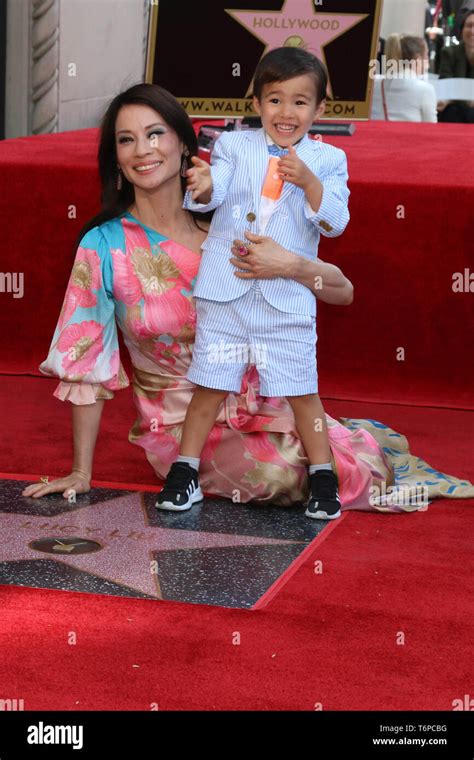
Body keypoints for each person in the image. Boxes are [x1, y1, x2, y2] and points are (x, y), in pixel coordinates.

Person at [23, 83, 473, 513]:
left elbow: (343, 292)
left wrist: (292, 266)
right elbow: (85, 363)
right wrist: (81, 471)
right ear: (116, 159)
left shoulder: (234, 216)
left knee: (331, 466)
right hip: (182, 428)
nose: (143, 150)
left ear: (184, 145)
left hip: (267, 401)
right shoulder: (103, 246)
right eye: (127, 140)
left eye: (155, 133)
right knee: (279, 477)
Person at [155, 48, 349, 520]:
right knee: (209, 384)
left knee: (303, 390)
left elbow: (336, 221)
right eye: (275, 100)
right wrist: (201, 184)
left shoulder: (329, 159)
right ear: (257, 102)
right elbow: (213, 189)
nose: (287, 113)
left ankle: (324, 476)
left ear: (320, 109)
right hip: (227, 292)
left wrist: (309, 184)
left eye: (301, 102)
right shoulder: (232, 146)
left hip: (286, 301)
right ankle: (185, 471)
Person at [371, 34, 437, 122]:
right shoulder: (425, 90)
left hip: (376, 134)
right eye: (426, 55)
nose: (428, 61)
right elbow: (431, 128)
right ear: (417, 60)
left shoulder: (374, 83)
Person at [437, 8, 474, 122]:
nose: (472, 31)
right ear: (462, 30)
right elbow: (446, 86)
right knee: (452, 112)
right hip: (454, 111)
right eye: (469, 25)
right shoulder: (449, 52)